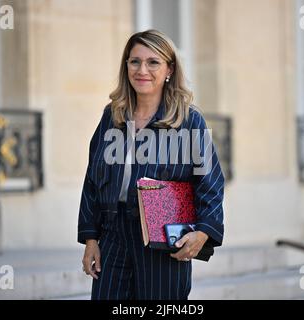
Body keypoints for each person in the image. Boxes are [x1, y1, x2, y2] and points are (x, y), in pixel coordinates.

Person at [78, 29, 225, 300]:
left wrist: (204, 233)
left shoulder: (189, 120)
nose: (141, 69)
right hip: (113, 233)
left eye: (153, 62)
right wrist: (91, 239)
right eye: (134, 61)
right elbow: (92, 179)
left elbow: (210, 182)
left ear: (169, 69)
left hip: (164, 235)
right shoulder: (112, 116)